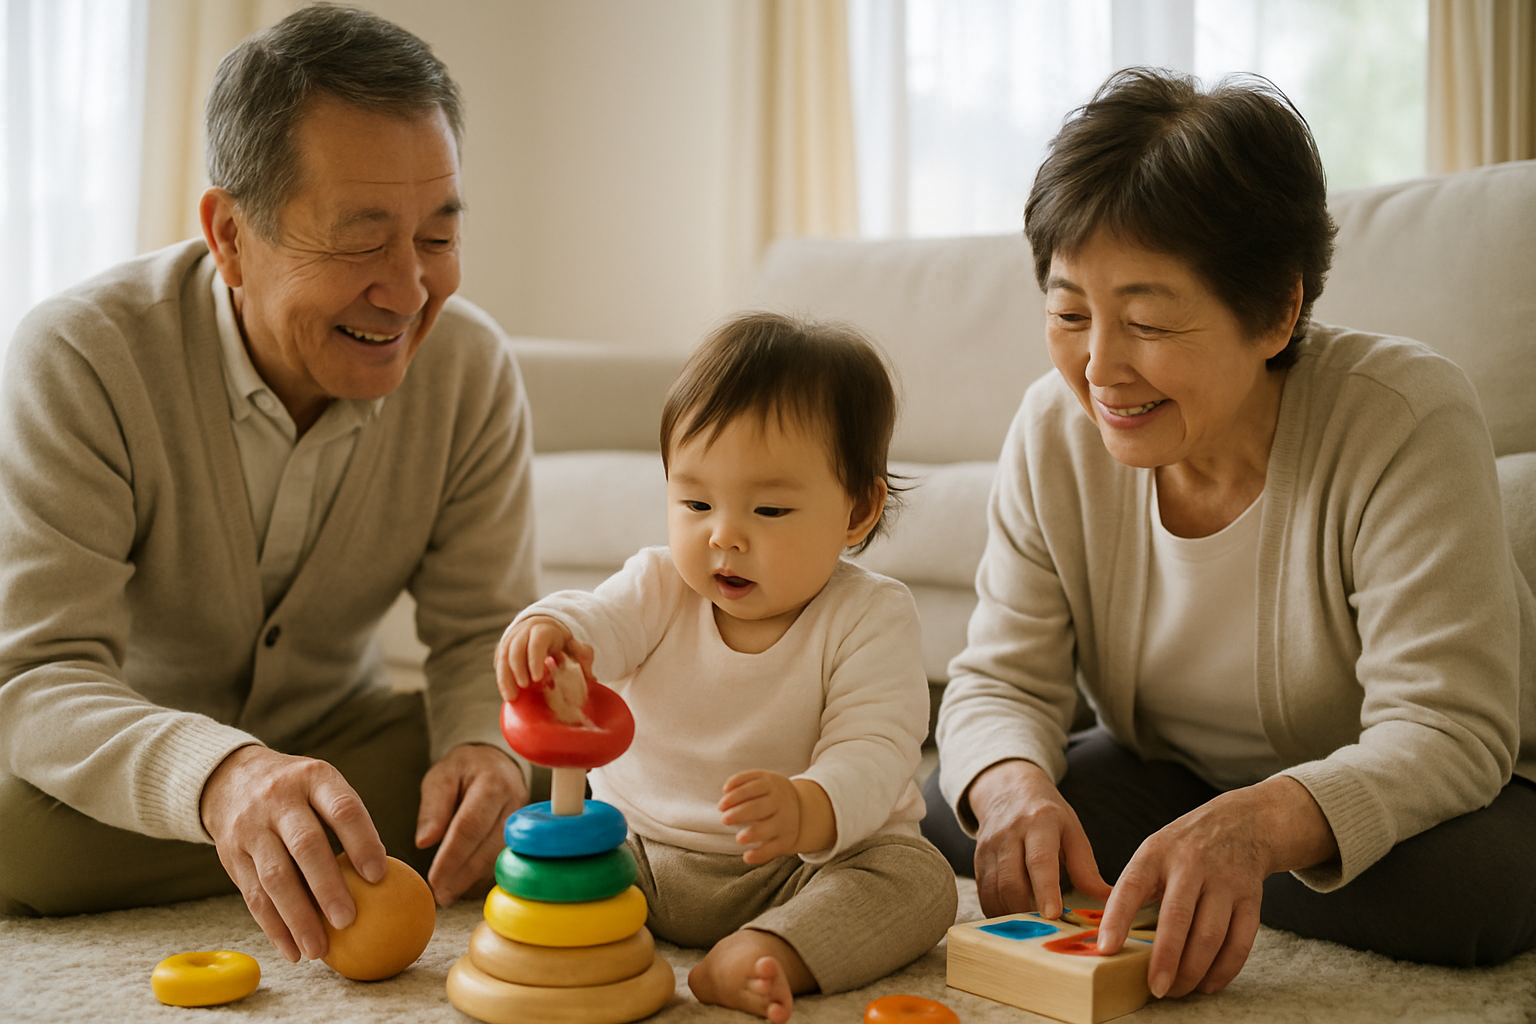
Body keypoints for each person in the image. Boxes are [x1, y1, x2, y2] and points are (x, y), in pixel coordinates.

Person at [922, 67, 1536, 1000]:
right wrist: (1014, 788)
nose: (1099, 369)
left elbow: (1445, 726)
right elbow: (1002, 677)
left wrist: (1257, 828)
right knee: (954, 803)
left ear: (1277, 311)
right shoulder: (1054, 429)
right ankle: (1190, 863)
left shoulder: (1404, 416)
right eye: (1069, 313)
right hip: (1178, 779)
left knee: (1472, 893)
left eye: (1148, 320)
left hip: (1439, 790)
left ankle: (1204, 864)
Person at [0, 5, 537, 967]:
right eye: (363, 239)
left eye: (437, 234)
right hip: (138, 754)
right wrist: (223, 778)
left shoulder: (472, 369)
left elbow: (479, 633)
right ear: (231, 234)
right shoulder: (79, 356)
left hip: (348, 737)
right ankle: (292, 838)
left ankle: (303, 835)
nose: (410, 291)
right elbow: (38, 678)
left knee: (524, 770)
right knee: (15, 832)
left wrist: (482, 752)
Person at [496, 312, 957, 1023]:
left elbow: (877, 749)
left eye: (769, 508)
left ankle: (767, 950)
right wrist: (552, 631)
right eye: (695, 502)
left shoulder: (871, 615)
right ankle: (586, 933)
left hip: (796, 872)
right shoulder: (658, 583)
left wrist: (810, 807)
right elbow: (599, 621)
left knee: (919, 881)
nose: (724, 535)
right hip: (641, 853)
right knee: (549, 832)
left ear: (857, 510)